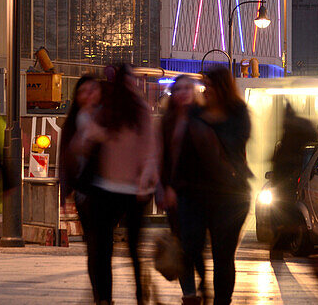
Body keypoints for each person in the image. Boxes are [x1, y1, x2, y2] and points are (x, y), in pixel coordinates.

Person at [82, 63, 158, 305]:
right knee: (109, 249)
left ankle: (137, 295)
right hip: (112, 187)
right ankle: (106, 299)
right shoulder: (110, 109)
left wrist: (145, 176)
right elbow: (90, 135)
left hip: (132, 189)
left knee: (131, 250)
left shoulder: (137, 109)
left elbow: (149, 148)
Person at [186, 66, 253, 305]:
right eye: (205, 86)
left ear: (221, 87)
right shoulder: (196, 113)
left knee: (223, 255)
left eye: (210, 86)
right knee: (192, 245)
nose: (206, 91)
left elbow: (235, 144)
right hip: (200, 191)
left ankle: (222, 301)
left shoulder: (237, 113)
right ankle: (203, 285)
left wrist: (206, 128)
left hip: (231, 193)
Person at [157, 75, 209, 305]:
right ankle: (189, 294)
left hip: (200, 192)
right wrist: (165, 187)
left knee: (196, 243)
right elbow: (162, 159)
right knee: (182, 243)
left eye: (188, 88)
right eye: (178, 89)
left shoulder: (204, 119)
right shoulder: (167, 122)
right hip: (176, 193)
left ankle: (204, 282)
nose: (183, 93)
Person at [59, 75, 104, 289]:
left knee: (103, 244)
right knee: (94, 244)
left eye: (92, 90)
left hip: (107, 187)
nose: (87, 95)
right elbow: (65, 155)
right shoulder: (74, 121)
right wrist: (65, 190)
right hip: (85, 190)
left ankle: (102, 293)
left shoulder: (106, 118)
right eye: (83, 91)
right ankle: (99, 293)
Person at [269, 103, 315, 257]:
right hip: (286, 187)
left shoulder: (287, 144)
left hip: (285, 187)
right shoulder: (294, 144)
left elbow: (278, 167)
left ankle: (280, 245)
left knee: (282, 215)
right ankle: (282, 243)